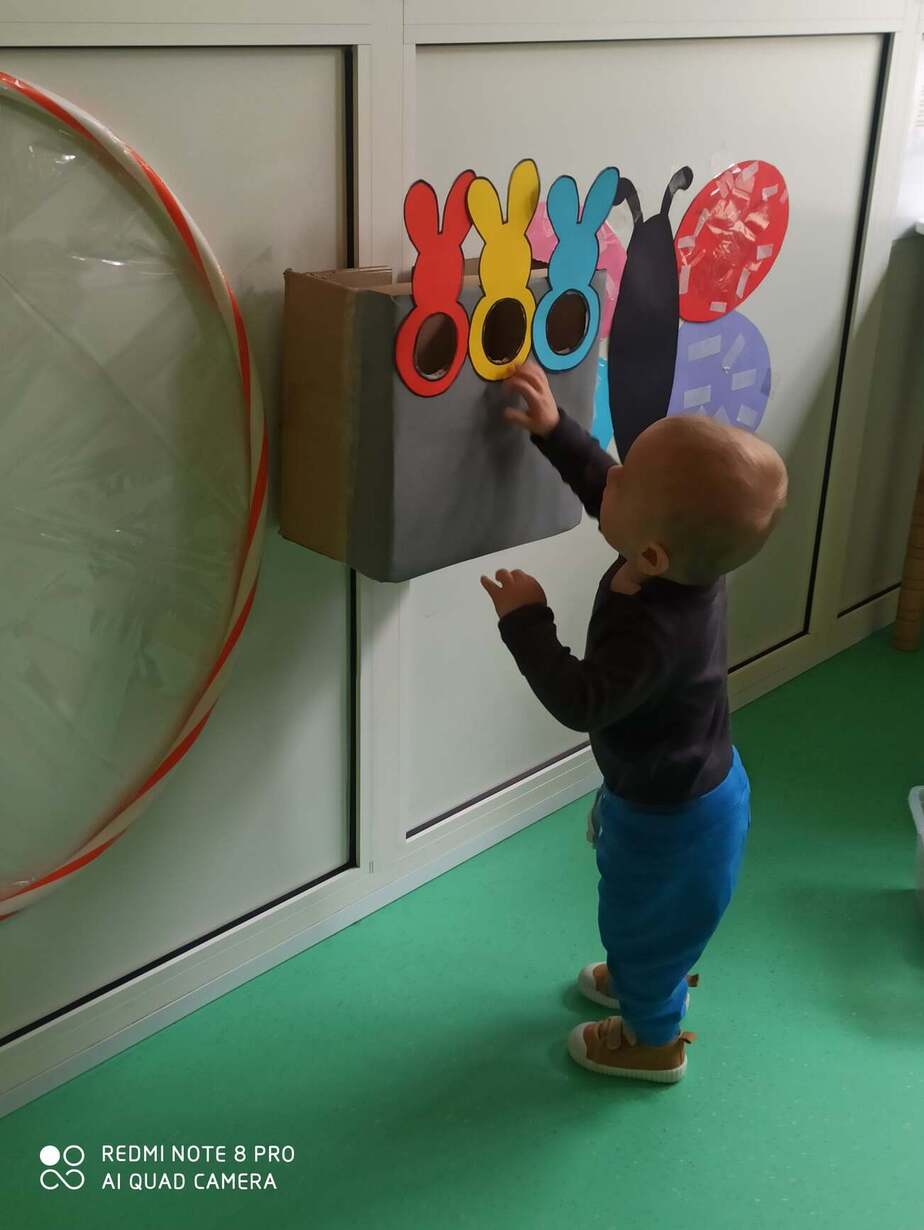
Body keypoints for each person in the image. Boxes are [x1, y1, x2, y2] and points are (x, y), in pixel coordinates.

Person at [481, 360, 788, 1083]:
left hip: (674, 818)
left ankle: (653, 1040)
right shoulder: (676, 558)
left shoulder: (656, 632)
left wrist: (527, 621)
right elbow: (613, 494)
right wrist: (556, 431)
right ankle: (641, 973)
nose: (609, 477)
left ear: (651, 551)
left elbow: (580, 700)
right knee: (650, 916)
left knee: (642, 923)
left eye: (623, 479)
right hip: (678, 783)